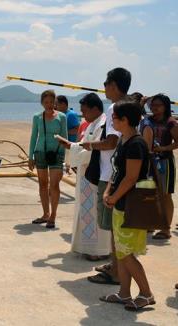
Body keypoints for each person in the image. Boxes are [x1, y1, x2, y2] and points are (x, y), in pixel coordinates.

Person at [100, 101, 155, 311]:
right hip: (120, 203)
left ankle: (146, 293)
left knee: (126, 253)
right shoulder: (124, 140)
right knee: (121, 251)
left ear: (124, 120)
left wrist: (113, 198)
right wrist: (108, 192)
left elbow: (131, 178)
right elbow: (117, 173)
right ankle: (124, 293)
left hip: (131, 205)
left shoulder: (136, 144)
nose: (112, 120)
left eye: (114, 117)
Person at [81, 67, 130, 285]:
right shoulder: (130, 104)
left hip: (111, 173)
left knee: (112, 226)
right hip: (120, 172)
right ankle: (115, 265)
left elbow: (111, 141)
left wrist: (89, 145)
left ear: (113, 85)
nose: (104, 87)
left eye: (105, 83)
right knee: (115, 226)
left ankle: (116, 273)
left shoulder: (114, 108)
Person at [59, 93, 111, 261]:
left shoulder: (102, 125)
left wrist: (72, 147)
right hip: (85, 174)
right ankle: (88, 247)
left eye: (85, 111)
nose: (83, 114)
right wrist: (72, 146)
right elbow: (84, 145)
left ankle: (99, 250)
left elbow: (93, 149)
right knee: (86, 211)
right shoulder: (91, 124)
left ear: (95, 108)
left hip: (94, 174)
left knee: (95, 213)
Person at [140, 94, 177, 240]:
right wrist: (142, 102)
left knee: (166, 195)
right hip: (150, 163)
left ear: (166, 106)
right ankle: (151, 224)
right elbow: (136, 114)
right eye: (153, 105)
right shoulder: (148, 120)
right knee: (150, 194)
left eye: (158, 105)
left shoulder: (171, 122)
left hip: (165, 163)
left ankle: (166, 228)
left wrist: (163, 148)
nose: (155, 107)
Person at [29, 90, 67, 228]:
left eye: (51, 102)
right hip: (40, 153)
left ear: (55, 102)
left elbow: (65, 138)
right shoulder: (37, 117)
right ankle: (45, 214)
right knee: (43, 184)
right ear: (42, 103)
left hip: (57, 154)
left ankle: (53, 215)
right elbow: (34, 137)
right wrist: (30, 157)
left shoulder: (62, 117)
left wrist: (65, 158)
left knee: (54, 185)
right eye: (46, 102)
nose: (49, 105)